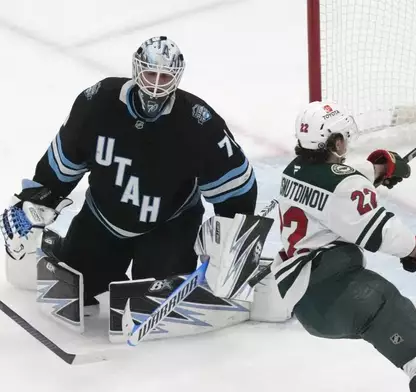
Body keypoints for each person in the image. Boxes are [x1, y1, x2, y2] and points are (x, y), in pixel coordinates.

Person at [1, 36, 257, 314]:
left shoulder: (197, 122)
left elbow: (238, 189)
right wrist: (31, 206)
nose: (156, 84)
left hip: (168, 226)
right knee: (76, 289)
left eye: (164, 76)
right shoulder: (97, 103)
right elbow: (59, 168)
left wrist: (233, 256)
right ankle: (60, 248)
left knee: (155, 305)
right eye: (150, 73)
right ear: (137, 69)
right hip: (103, 220)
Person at [271, 100, 416, 392]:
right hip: (337, 290)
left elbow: (333, 179)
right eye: (342, 139)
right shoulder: (344, 185)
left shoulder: (293, 170)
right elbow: (380, 233)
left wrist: (377, 169)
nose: (346, 144)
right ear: (335, 141)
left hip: (303, 298)